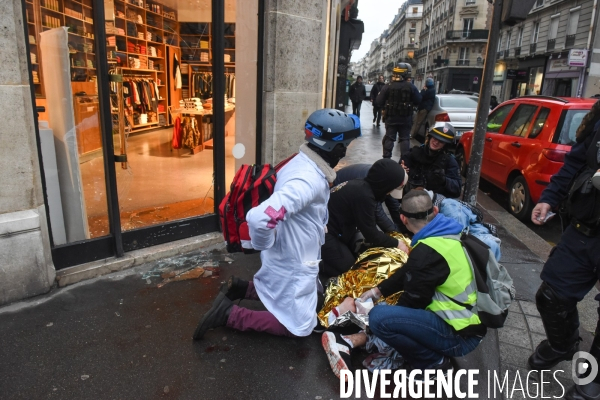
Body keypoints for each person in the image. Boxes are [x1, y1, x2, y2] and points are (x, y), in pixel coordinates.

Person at [192, 108, 361, 340]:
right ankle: (229, 315)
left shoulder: (302, 161)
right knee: (300, 326)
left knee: (278, 292)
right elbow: (260, 217)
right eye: (346, 145)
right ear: (336, 147)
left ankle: (240, 288)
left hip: (289, 252)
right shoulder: (307, 181)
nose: (346, 150)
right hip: (292, 259)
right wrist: (264, 243)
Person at [321, 190, 486, 379]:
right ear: (435, 210)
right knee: (385, 312)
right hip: (470, 324)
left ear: (403, 218)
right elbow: (410, 270)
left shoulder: (426, 252)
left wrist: (370, 324)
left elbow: (409, 303)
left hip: (459, 336)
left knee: (380, 317)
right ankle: (350, 342)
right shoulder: (450, 233)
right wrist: (378, 290)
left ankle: (433, 363)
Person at [527, 100, 600, 400]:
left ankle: (593, 378)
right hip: (585, 230)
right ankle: (563, 344)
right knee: (551, 295)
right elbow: (575, 162)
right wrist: (550, 198)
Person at [319, 159, 409, 279]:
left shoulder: (362, 185)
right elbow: (371, 233)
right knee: (350, 269)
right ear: (386, 184)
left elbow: (371, 219)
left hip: (334, 228)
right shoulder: (364, 195)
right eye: (391, 189)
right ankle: (319, 266)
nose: (389, 193)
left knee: (357, 252)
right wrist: (397, 243)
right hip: (323, 234)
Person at [332, 162, 405, 233]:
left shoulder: (386, 177)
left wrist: (403, 228)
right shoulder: (371, 184)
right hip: (336, 192)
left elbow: (393, 205)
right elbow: (377, 213)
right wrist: (395, 233)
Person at [402, 122, 462, 198]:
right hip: (410, 198)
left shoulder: (449, 161)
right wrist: (401, 171)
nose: (436, 142)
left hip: (435, 202)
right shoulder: (414, 153)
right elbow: (398, 171)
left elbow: (457, 189)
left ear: (445, 145)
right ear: (429, 137)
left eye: (441, 141)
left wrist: (444, 180)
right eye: (435, 138)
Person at [376, 62, 422, 160]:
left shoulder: (388, 86)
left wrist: (386, 106)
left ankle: (386, 159)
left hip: (391, 117)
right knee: (404, 138)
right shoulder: (411, 87)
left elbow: (378, 101)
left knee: (389, 137)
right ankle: (404, 161)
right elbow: (418, 100)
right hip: (405, 118)